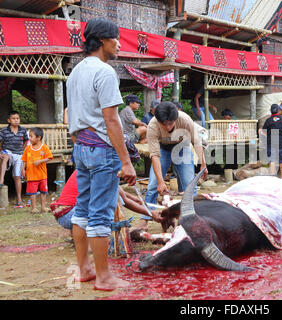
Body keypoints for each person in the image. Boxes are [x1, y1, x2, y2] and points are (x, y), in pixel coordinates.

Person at [66, 17, 137, 292]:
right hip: (101, 149)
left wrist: (79, 144)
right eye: (116, 39)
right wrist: (126, 161)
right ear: (104, 41)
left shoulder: (75, 72)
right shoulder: (105, 72)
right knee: (100, 214)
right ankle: (104, 277)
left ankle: (85, 268)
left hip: (81, 147)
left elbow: (72, 115)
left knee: (81, 210)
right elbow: (111, 120)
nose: (119, 44)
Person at [51, 170, 158, 234]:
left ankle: (78, 233)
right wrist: (151, 214)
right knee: (111, 202)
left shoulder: (96, 164)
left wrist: (135, 199)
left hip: (64, 214)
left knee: (110, 198)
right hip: (71, 215)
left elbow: (121, 193)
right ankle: (85, 238)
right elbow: (123, 200)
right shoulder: (104, 170)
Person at [145, 101, 207, 206]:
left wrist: (203, 164)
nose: (167, 127)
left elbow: (196, 142)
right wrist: (160, 182)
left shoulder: (185, 120)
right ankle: (147, 217)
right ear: (158, 120)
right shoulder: (152, 125)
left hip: (182, 147)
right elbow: (155, 155)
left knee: (189, 185)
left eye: (170, 123)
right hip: (163, 149)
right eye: (163, 124)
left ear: (175, 119)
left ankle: (190, 214)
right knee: (153, 185)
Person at [21, 127, 53, 214]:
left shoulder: (44, 147)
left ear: (38, 138)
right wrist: (23, 169)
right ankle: (34, 208)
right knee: (32, 193)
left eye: (31, 136)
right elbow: (24, 160)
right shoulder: (28, 148)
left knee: (43, 192)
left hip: (42, 175)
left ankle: (43, 207)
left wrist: (40, 161)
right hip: (31, 175)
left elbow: (50, 157)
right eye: (29, 136)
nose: (29, 138)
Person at [0, 111, 29, 207]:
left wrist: (23, 149)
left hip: (19, 154)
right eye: (14, 118)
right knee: (5, 157)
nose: (16, 120)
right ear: (9, 120)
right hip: (8, 151)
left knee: (17, 177)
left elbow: (26, 140)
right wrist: (1, 152)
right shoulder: (4, 130)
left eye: (17, 118)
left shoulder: (23, 130)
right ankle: (1, 180)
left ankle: (19, 199)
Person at [260, 104, 282, 179]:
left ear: (270, 111)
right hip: (281, 142)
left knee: (272, 159)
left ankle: (273, 177)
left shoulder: (268, 120)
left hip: (271, 142)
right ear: (278, 110)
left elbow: (264, 131)